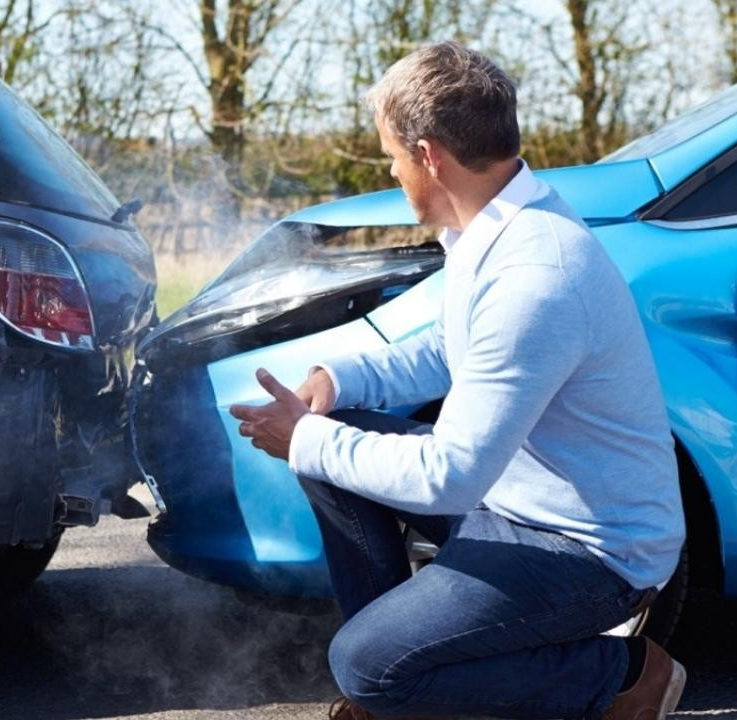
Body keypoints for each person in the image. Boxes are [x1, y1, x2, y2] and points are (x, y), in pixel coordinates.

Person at [230, 42, 686, 720]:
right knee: (336, 438)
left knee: (364, 666)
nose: (391, 172)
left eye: (390, 157)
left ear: (428, 155)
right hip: (519, 506)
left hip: (591, 552)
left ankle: (622, 676)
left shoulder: (538, 274)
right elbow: (451, 348)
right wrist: (337, 379)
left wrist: (303, 438)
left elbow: (452, 476)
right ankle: (398, 672)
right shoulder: (496, 229)